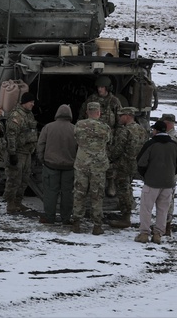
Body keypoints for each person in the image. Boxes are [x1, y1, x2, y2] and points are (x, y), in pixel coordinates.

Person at [135, 119, 177, 244]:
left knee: (146, 208)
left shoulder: (150, 144)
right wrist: (170, 174)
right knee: (163, 209)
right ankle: (158, 234)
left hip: (151, 182)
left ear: (156, 131)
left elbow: (141, 162)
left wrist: (146, 175)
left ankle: (144, 234)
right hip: (168, 183)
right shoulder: (174, 145)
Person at [70, 102, 111, 235]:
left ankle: (76, 223)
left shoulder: (79, 125)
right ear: (98, 112)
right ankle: (97, 226)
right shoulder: (104, 127)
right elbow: (108, 141)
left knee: (79, 193)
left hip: (82, 164)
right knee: (97, 195)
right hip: (98, 166)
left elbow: (76, 139)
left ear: (87, 112)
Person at [36, 103, 77, 224]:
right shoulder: (75, 129)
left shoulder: (48, 127)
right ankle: (66, 218)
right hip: (69, 167)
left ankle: (49, 218)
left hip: (50, 166)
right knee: (68, 194)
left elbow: (41, 144)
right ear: (70, 115)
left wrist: (41, 158)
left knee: (50, 193)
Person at [108, 107, 147, 228]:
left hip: (123, 165)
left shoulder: (125, 131)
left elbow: (118, 150)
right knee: (128, 188)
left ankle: (125, 218)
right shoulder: (141, 130)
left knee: (123, 190)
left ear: (128, 116)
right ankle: (127, 213)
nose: (119, 118)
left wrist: (110, 158)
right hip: (134, 164)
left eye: (121, 115)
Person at [3, 91, 38, 214]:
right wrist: (12, 154)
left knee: (24, 179)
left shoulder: (29, 115)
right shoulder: (16, 116)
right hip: (18, 152)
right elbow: (11, 136)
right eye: (31, 102)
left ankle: (18, 202)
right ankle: (10, 204)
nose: (33, 104)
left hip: (27, 152)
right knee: (14, 179)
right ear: (24, 102)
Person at [89, 75, 122, 197]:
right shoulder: (92, 100)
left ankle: (111, 183)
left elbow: (119, 121)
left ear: (108, 88)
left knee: (109, 162)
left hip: (109, 138)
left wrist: (117, 136)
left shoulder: (114, 101)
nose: (100, 89)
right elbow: (83, 115)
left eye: (102, 87)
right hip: (93, 137)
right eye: (98, 87)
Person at [160, 113, 177, 235]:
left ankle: (166, 226)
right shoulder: (172, 136)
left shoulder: (172, 137)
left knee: (167, 200)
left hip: (169, 173)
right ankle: (164, 225)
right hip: (169, 173)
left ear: (167, 123)